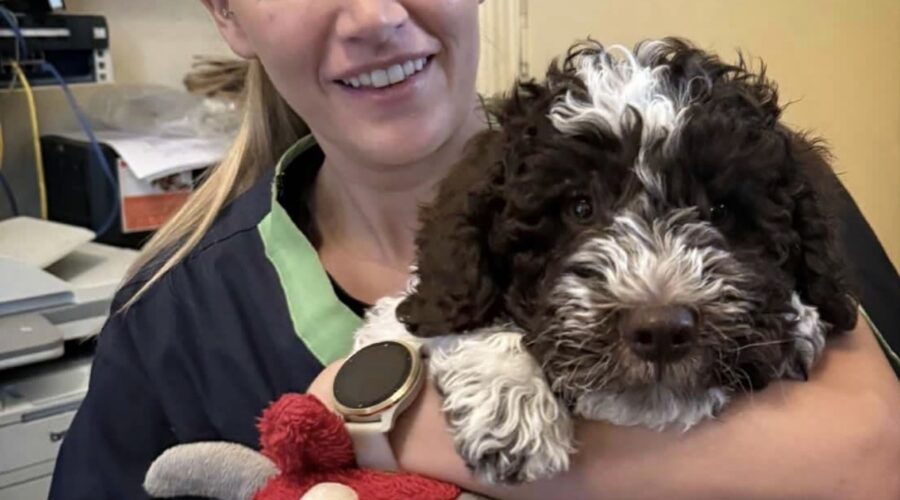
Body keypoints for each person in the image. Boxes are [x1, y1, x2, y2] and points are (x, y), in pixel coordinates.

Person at [50, 1, 900, 499]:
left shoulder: (765, 184)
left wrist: (389, 425)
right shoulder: (170, 319)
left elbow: (876, 454)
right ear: (227, 12)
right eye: (579, 210)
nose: (377, 17)